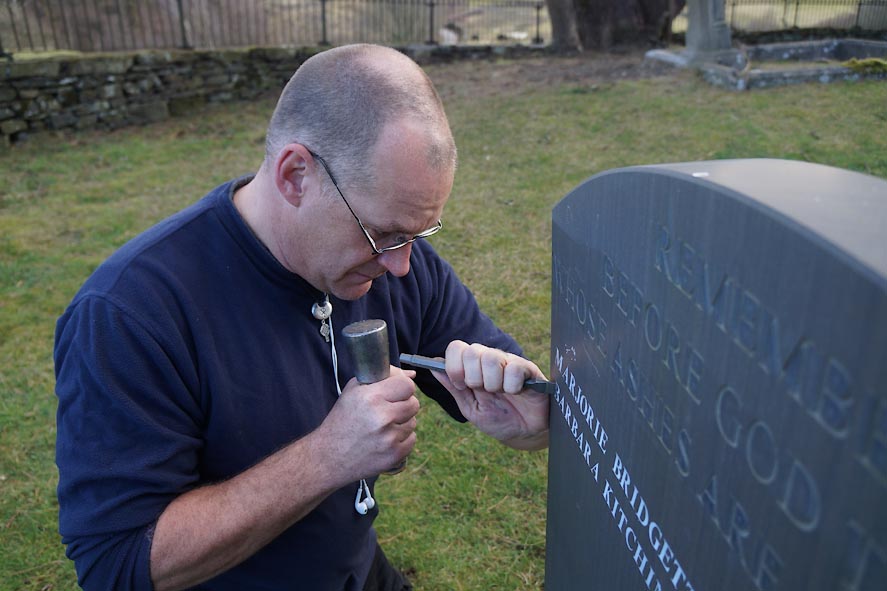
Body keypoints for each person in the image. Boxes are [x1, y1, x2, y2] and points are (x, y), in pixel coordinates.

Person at [54, 43, 550, 591]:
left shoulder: (394, 261)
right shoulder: (131, 313)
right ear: (295, 176)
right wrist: (327, 457)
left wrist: (528, 419)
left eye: (418, 234)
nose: (401, 265)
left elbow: (519, 396)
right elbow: (117, 563)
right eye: (382, 234)